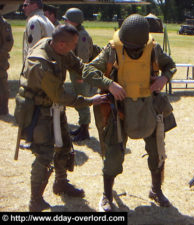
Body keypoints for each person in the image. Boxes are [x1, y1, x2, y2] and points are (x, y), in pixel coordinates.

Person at [83, 14, 177, 212]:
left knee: (157, 151)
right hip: (119, 110)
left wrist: (164, 78)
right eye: (129, 46)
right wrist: (109, 84)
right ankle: (107, 196)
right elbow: (89, 71)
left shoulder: (153, 48)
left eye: (136, 47)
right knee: (113, 154)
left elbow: (171, 65)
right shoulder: (112, 49)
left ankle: (156, 190)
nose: (132, 50)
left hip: (148, 107)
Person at [15, 24, 106, 212]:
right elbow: (60, 96)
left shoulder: (61, 49)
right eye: (73, 44)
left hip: (54, 105)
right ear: (62, 44)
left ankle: (61, 183)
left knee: (65, 145)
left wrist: (106, 82)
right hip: (38, 110)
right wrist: (89, 101)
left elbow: (79, 66)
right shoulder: (41, 62)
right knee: (44, 154)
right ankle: (35, 200)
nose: (75, 48)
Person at [63, 8, 94, 142]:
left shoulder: (81, 35)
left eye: (67, 19)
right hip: (77, 72)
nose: (65, 21)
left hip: (80, 73)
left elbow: (82, 58)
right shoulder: (76, 33)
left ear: (74, 21)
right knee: (79, 99)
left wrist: (81, 75)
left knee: (82, 100)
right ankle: (82, 127)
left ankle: (85, 130)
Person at [0, 13, 13, 115]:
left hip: (0, 60)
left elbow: (8, 43)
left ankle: (3, 109)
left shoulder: (3, 24)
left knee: (2, 83)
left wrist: (1, 54)